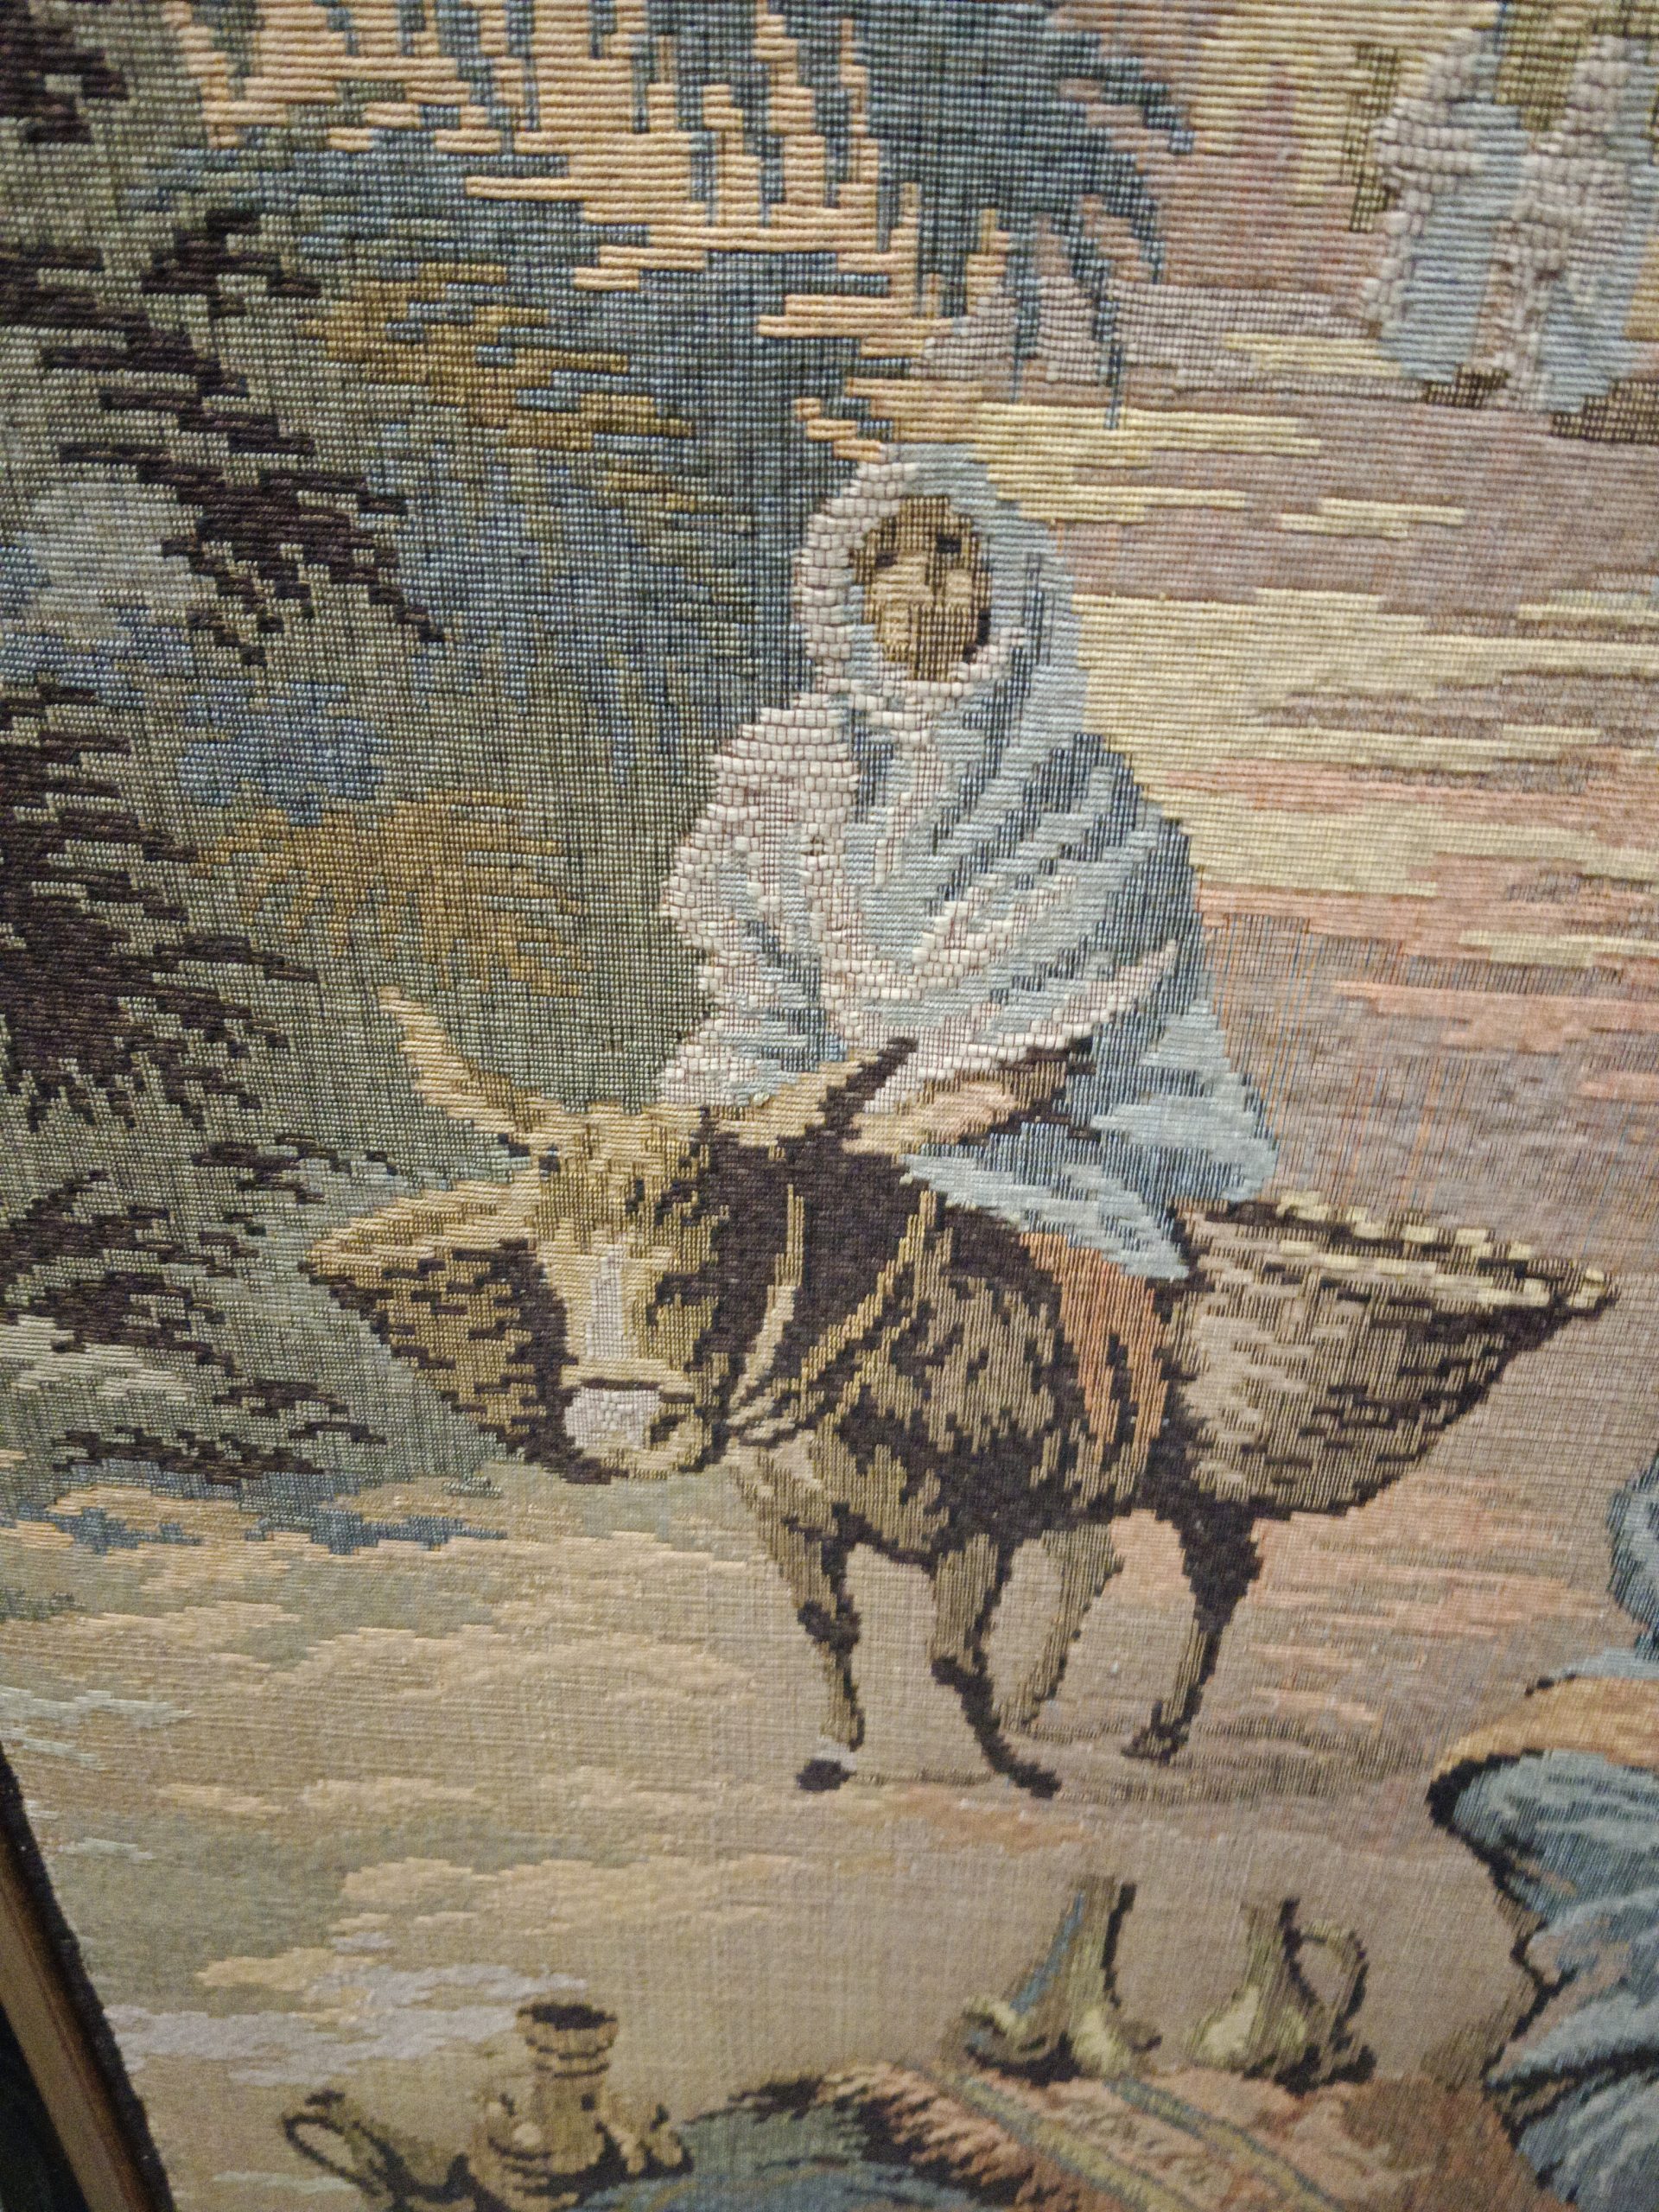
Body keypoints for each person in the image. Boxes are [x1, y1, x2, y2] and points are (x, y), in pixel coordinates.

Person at [658, 443, 1275, 1469]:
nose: (922, 586)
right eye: (888, 559)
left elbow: (1051, 1059)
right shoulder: (786, 779)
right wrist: (756, 1114)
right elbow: (764, 1008)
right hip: (827, 1118)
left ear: (1006, 586)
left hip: (1036, 1137)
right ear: (845, 590)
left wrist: (896, 1130)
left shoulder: (1090, 808)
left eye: (952, 552)